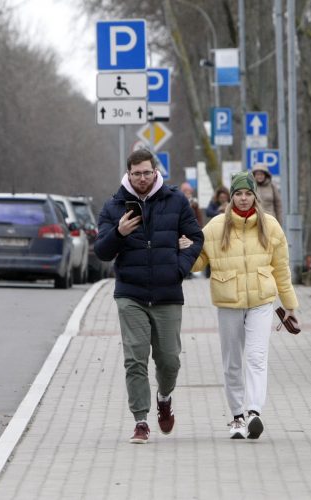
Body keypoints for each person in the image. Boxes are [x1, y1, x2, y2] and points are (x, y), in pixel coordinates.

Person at [94, 148, 204, 444]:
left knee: (169, 360)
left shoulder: (176, 200)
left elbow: (196, 238)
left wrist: (178, 269)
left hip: (168, 293)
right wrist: (118, 232)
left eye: (146, 172)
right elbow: (101, 252)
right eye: (136, 173)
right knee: (135, 358)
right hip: (131, 293)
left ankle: (164, 397)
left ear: (156, 172)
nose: (142, 178)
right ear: (128, 174)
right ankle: (141, 421)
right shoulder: (114, 206)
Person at [182, 171, 298, 440]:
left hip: (261, 301)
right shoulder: (215, 227)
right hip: (228, 301)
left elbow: (281, 269)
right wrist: (186, 248)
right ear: (231, 197)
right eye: (238, 194)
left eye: (248, 194)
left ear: (255, 196)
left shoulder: (270, 227)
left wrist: (290, 305)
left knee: (257, 358)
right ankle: (237, 417)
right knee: (232, 362)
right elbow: (199, 263)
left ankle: (254, 412)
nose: (243, 199)